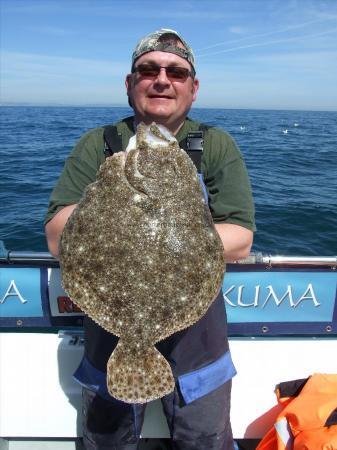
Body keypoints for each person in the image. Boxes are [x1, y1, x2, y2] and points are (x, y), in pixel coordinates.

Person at [45, 28, 255, 450]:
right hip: (111, 338)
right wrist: (111, 201)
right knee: (107, 440)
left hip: (198, 344)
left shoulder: (214, 144)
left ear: (193, 89)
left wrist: (170, 233)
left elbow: (241, 238)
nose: (162, 79)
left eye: (176, 72)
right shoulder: (99, 145)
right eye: (148, 69)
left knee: (204, 440)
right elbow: (55, 236)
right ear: (130, 83)